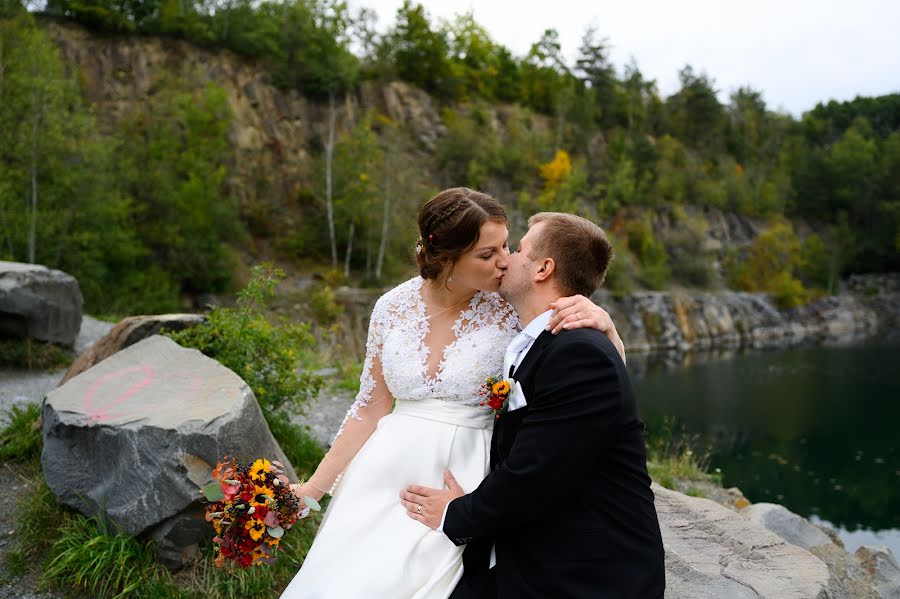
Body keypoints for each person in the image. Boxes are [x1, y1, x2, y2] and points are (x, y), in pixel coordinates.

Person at [281, 189, 625, 598]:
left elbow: (589, 373)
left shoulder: (512, 307)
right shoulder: (391, 307)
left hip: (464, 473)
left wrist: (606, 324)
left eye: (506, 246)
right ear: (446, 256)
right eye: (487, 254)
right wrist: (311, 492)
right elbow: (369, 408)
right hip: (383, 473)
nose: (503, 261)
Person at [400, 212, 665, 599]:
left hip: (587, 578)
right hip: (526, 553)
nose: (506, 259)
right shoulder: (542, 343)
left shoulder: (579, 353)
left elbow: (533, 474)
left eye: (519, 249)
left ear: (543, 268)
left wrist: (452, 514)